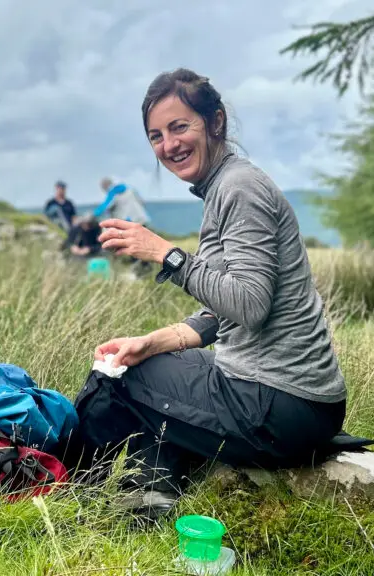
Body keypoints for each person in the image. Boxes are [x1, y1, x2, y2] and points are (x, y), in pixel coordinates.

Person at [70, 68, 348, 519]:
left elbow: (250, 305)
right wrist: (152, 341)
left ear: (215, 122)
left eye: (180, 127)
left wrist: (166, 255)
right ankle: (150, 495)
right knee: (144, 361)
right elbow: (224, 312)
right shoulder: (223, 186)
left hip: (282, 403)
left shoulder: (239, 188)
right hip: (296, 400)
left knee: (122, 379)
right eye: (156, 136)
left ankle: (73, 493)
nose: (169, 145)